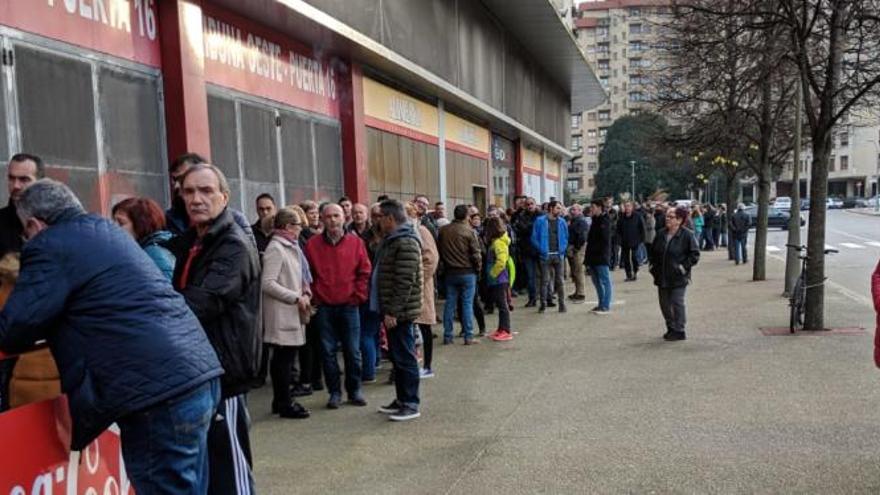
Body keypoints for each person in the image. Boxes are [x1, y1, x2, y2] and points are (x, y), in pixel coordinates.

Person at [1, 179, 223, 493]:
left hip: (155, 391)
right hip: (194, 374)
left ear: (35, 224)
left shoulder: (50, 245)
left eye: (25, 231)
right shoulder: (107, 232)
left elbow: (15, 327)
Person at [169, 163, 261, 495]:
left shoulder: (232, 245)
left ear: (224, 196)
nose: (197, 198)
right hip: (199, 369)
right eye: (189, 191)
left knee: (231, 465)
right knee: (210, 464)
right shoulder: (194, 241)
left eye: (206, 191)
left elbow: (198, 304)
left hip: (226, 373)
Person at [304, 203, 372, 409]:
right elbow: (307, 275)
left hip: (349, 306)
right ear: (322, 220)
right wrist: (315, 296)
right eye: (328, 216)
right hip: (324, 306)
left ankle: (354, 390)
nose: (333, 220)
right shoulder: (312, 245)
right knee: (327, 352)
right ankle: (334, 392)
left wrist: (358, 296)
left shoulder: (356, 243)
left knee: (353, 351)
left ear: (344, 218)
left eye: (336, 216)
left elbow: (364, 271)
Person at [372, 200, 423, 421]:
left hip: (400, 312)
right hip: (393, 310)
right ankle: (402, 399)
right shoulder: (393, 240)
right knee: (398, 356)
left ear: (390, 218)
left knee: (405, 357)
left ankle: (411, 402)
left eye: (379, 217)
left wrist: (392, 311)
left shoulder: (405, 242)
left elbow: (405, 281)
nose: (377, 221)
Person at [261, 207, 311, 419]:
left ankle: (281, 401)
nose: (301, 229)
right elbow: (267, 283)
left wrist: (305, 292)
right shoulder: (277, 248)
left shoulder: (290, 246)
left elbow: (299, 275)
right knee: (283, 360)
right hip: (282, 312)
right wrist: (295, 297)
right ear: (289, 227)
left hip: (290, 311)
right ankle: (283, 403)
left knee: (286, 359)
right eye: (299, 225)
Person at [164, 153, 255, 244]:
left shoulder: (236, 220)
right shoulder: (167, 220)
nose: (176, 186)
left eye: (206, 191)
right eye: (174, 179)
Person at [649, 206, 700, 341]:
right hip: (662, 275)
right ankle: (671, 327)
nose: (667, 219)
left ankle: (679, 329)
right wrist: (652, 267)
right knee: (664, 304)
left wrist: (683, 267)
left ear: (679, 220)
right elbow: (653, 251)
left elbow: (694, 254)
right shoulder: (661, 234)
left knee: (677, 303)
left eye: (671, 217)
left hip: (678, 277)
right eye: (667, 216)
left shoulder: (687, 235)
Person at [438, 204, 482, 345]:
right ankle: (468, 335)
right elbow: (476, 254)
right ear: (466, 216)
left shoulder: (444, 231)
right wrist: (478, 269)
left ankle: (447, 335)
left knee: (449, 304)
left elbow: (440, 250)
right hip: (467, 271)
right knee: (467, 304)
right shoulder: (469, 231)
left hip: (450, 272)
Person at [406, 203, 439, 379]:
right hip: (410, 288)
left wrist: (418, 279)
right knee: (413, 327)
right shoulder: (407, 232)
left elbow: (431, 258)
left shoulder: (422, 231)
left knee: (424, 326)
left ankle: (427, 366)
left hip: (420, 287)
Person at [112, 197, 176, 280]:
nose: (114, 228)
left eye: (121, 223)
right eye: (113, 222)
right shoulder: (145, 250)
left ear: (140, 224)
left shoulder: (154, 254)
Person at [0, 153, 44, 258]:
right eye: (11, 178)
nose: (16, 186)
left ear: (41, 183)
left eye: (24, 180)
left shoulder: (55, 222)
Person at [531, 200, 568, 313]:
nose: (560, 210)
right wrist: (542, 250)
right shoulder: (540, 221)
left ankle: (562, 304)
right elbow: (534, 237)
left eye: (560, 208)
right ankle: (543, 304)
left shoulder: (562, 221)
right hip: (545, 255)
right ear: (551, 208)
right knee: (545, 280)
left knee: (560, 281)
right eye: (557, 208)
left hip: (558, 255)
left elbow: (566, 237)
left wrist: (562, 249)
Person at [485, 217, 514, 341]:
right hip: (499, 278)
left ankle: (506, 330)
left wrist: (492, 273)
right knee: (501, 304)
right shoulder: (498, 241)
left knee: (502, 305)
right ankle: (501, 328)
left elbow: (501, 261)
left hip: (499, 279)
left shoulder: (498, 243)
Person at [585, 199, 613, 315]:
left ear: (599, 207)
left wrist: (599, 252)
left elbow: (605, 240)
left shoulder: (605, 220)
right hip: (592, 256)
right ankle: (601, 303)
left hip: (601, 256)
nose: (591, 209)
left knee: (605, 281)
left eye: (593, 207)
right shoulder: (594, 220)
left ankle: (605, 305)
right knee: (596, 282)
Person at [511, 197, 539, 306]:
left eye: (532, 203)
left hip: (540, 249)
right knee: (530, 276)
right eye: (527, 204)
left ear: (535, 204)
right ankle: (533, 298)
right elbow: (521, 229)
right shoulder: (521, 216)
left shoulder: (541, 216)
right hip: (527, 250)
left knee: (543, 276)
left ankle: (546, 297)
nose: (530, 206)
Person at [617, 201, 645, 282]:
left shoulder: (637, 216)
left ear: (632, 207)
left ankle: (635, 271)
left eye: (629, 206)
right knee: (626, 259)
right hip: (624, 241)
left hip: (635, 241)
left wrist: (641, 239)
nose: (627, 208)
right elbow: (618, 230)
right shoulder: (621, 218)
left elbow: (642, 228)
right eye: (626, 206)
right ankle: (628, 274)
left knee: (634, 257)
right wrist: (619, 240)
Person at [567, 204, 590, 304]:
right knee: (575, 271)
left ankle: (581, 293)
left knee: (579, 270)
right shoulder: (574, 221)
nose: (572, 211)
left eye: (575, 210)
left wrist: (576, 247)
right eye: (571, 209)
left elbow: (582, 236)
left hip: (578, 248)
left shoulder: (581, 221)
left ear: (580, 211)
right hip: (574, 247)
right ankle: (577, 291)